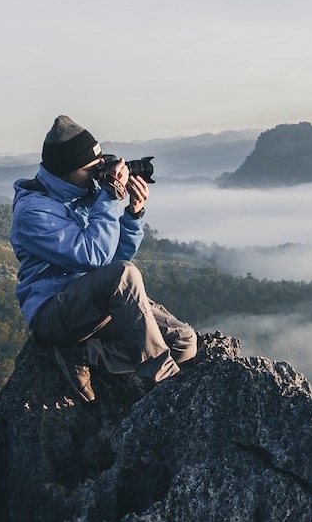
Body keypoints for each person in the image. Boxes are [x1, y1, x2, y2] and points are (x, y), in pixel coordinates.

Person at [10, 115, 197, 402]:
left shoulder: (84, 194)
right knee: (125, 274)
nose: (98, 174)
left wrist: (133, 216)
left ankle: (84, 353)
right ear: (66, 170)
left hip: (92, 307)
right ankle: (163, 386)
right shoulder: (34, 212)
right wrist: (109, 197)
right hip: (54, 313)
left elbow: (112, 262)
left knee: (184, 342)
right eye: (91, 169)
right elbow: (95, 258)